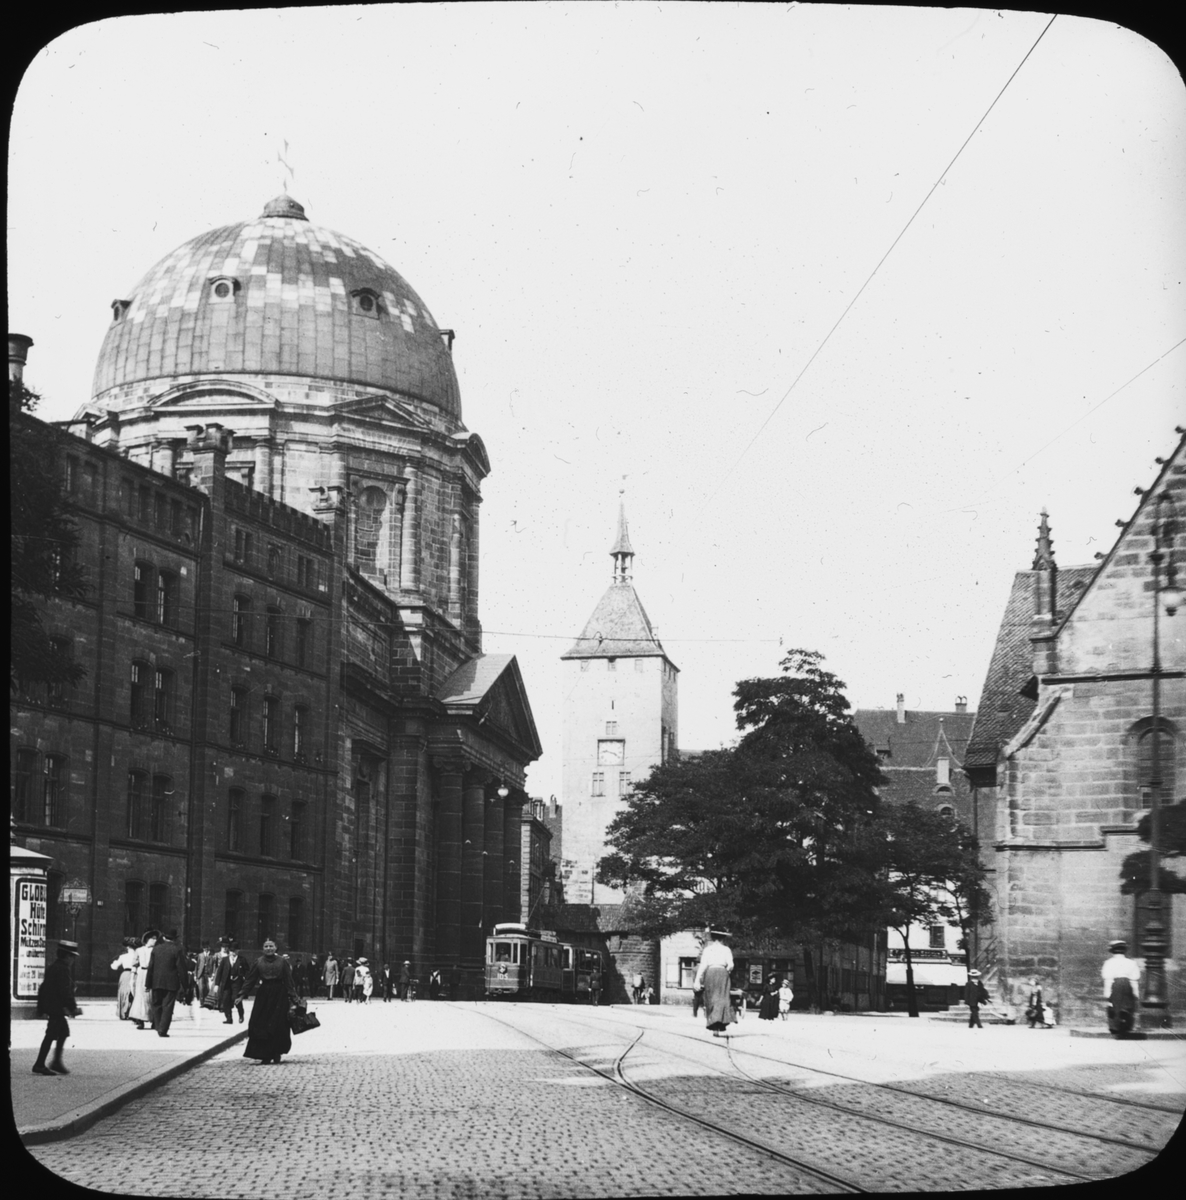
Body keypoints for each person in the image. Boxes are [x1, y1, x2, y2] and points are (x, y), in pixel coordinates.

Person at [238, 938, 299, 1065]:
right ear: (262, 949)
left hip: (279, 995)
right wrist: (242, 994)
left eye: (271, 946)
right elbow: (250, 980)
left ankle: (276, 1052)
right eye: (266, 946)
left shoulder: (282, 962)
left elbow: (288, 981)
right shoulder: (258, 962)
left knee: (279, 1025)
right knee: (260, 1023)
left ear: (276, 948)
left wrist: (294, 998)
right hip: (263, 995)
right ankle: (264, 1054)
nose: (268, 948)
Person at [33, 940, 83, 1075]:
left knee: (63, 1032)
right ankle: (39, 1064)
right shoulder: (62, 969)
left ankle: (56, 1062)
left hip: (52, 1006)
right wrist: (72, 1008)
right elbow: (64, 991)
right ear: (67, 956)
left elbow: (44, 988)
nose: (73, 960)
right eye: (72, 957)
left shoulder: (55, 966)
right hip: (55, 1007)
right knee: (51, 1035)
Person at [146, 927, 189, 1038]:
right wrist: (185, 985)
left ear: (164, 937)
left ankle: (158, 1026)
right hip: (171, 983)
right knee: (168, 1007)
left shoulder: (156, 949)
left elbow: (150, 967)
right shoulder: (177, 950)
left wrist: (147, 983)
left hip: (156, 982)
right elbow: (181, 969)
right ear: (174, 939)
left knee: (156, 1005)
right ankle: (163, 1030)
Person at [693, 928, 737, 1037]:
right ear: (723, 938)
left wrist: (697, 980)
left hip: (710, 973)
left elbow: (703, 966)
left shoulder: (708, 950)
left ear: (713, 938)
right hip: (722, 973)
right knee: (722, 999)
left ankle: (713, 1023)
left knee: (711, 998)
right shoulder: (726, 949)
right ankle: (720, 1022)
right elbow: (731, 965)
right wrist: (727, 971)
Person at [1103, 939, 1142, 1036]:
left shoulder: (1109, 962)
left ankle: (1114, 1026)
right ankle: (1127, 1024)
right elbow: (1134, 979)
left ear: (1112, 951)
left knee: (1113, 1004)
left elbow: (1108, 978)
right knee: (1128, 1004)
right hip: (1127, 983)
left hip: (1115, 984)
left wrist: (1107, 993)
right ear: (1124, 950)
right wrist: (1136, 993)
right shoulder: (1131, 963)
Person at [129, 929, 158, 1030]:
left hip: (152, 974)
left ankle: (154, 1020)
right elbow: (134, 963)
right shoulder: (139, 950)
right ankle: (140, 1020)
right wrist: (133, 975)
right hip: (141, 974)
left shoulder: (156, 950)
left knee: (151, 997)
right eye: (153, 938)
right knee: (140, 997)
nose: (155, 940)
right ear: (147, 939)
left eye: (155, 938)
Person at [214, 939, 248, 1024]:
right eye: (231, 951)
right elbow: (219, 972)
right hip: (227, 982)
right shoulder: (225, 960)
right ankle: (229, 1018)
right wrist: (217, 984)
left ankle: (241, 1014)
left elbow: (247, 971)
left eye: (235, 951)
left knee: (236, 999)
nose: (233, 953)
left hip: (237, 983)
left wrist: (245, 981)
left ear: (238, 951)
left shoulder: (242, 960)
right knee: (226, 1000)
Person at [111, 937, 138, 1020]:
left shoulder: (123, 956)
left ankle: (124, 1012)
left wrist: (114, 963)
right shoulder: (137, 955)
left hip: (125, 974)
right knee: (134, 993)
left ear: (127, 947)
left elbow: (114, 967)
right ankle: (133, 1012)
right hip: (136, 974)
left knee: (124, 993)